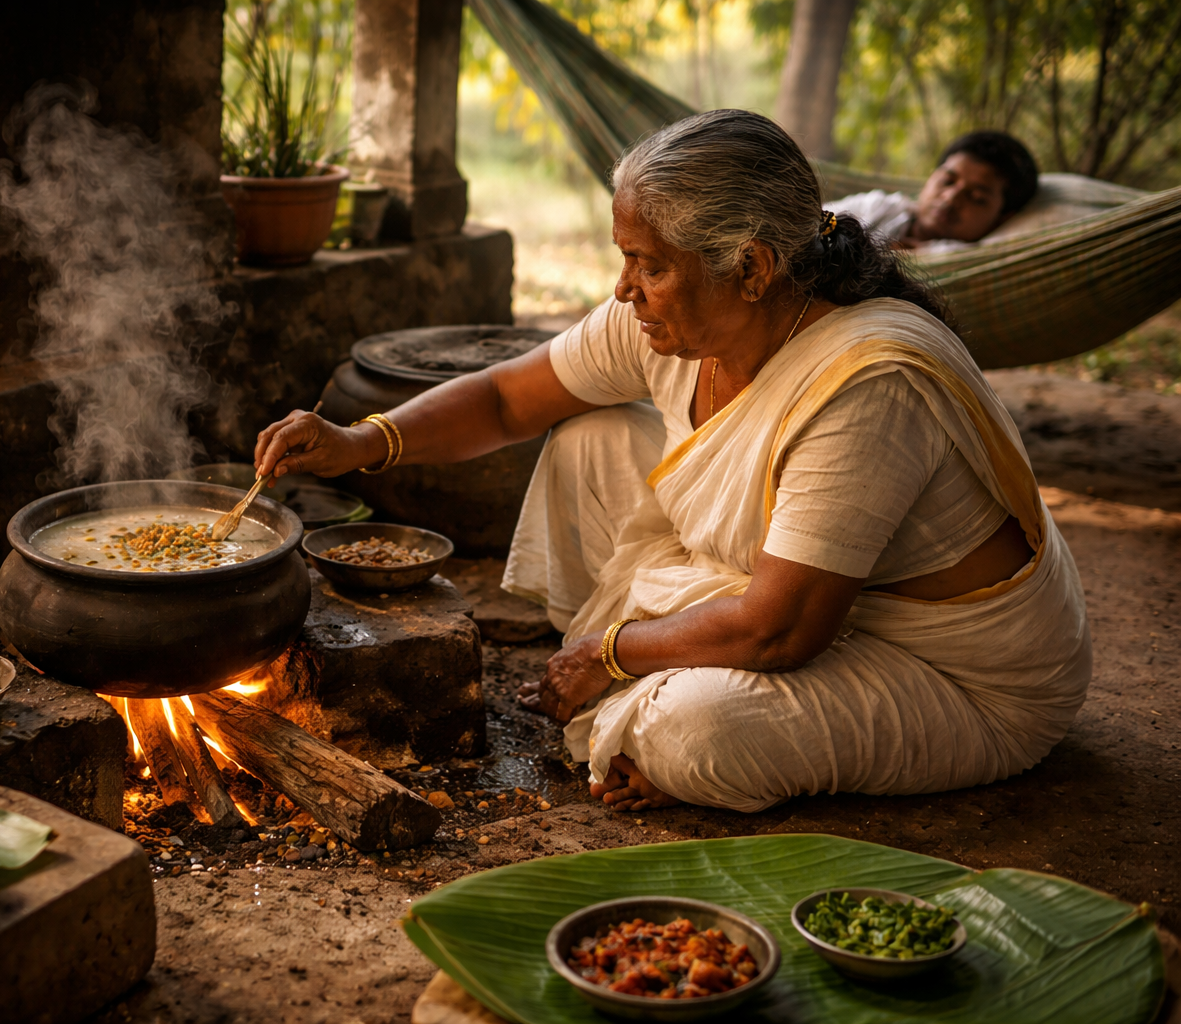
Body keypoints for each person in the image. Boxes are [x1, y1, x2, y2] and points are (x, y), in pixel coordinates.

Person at [252, 110, 1089, 815]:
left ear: (752, 268)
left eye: (647, 264)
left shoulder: (868, 382)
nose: (624, 288)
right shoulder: (670, 317)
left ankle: (633, 686)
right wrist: (359, 440)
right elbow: (510, 400)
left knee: (695, 731)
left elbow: (781, 628)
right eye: (627, 258)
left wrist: (605, 653)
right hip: (802, 596)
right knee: (587, 436)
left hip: (952, 676)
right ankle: (638, 669)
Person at [830, 131, 1040, 253]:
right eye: (947, 181)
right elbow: (808, 226)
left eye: (977, 198)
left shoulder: (965, 260)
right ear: (931, 177)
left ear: (1002, 218)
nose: (950, 198)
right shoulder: (879, 207)